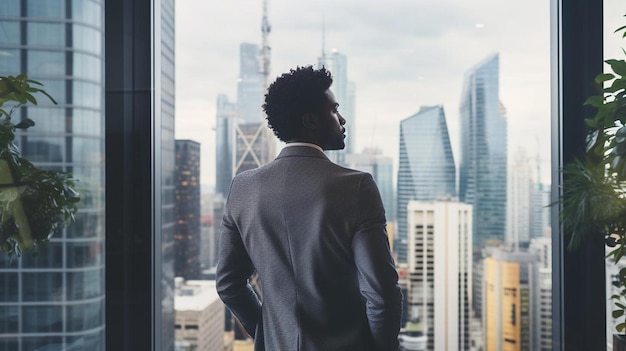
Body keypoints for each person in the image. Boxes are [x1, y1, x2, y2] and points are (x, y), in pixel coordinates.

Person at [216, 66, 402, 351]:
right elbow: (381, 293)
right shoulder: (357, 187)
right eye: (334, 110)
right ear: (310, 121)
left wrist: (270, 334)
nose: (342, 119)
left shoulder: (242, 188)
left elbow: (229, 285)